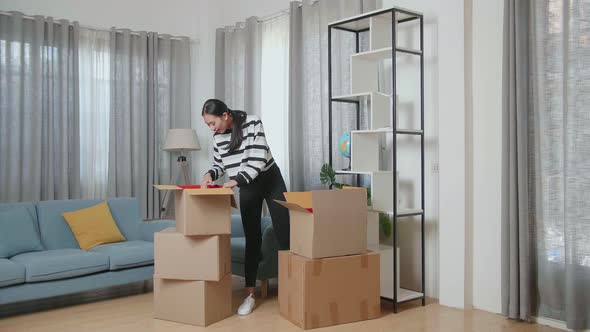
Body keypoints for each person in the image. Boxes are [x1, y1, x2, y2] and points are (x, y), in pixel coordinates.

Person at [200, 99, 290, 316]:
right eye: (208, 126)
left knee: (286, 232)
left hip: (270, 180)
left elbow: (258, 160)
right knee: (252, 237)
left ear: (224, 115)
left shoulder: (252, 123)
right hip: (246, 184)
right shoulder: (218, 137)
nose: (212, 129)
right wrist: (210, 174)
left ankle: (293, 286)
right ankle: (250, 294)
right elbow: (219, 164)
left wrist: (234, 181)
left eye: (213, 123)